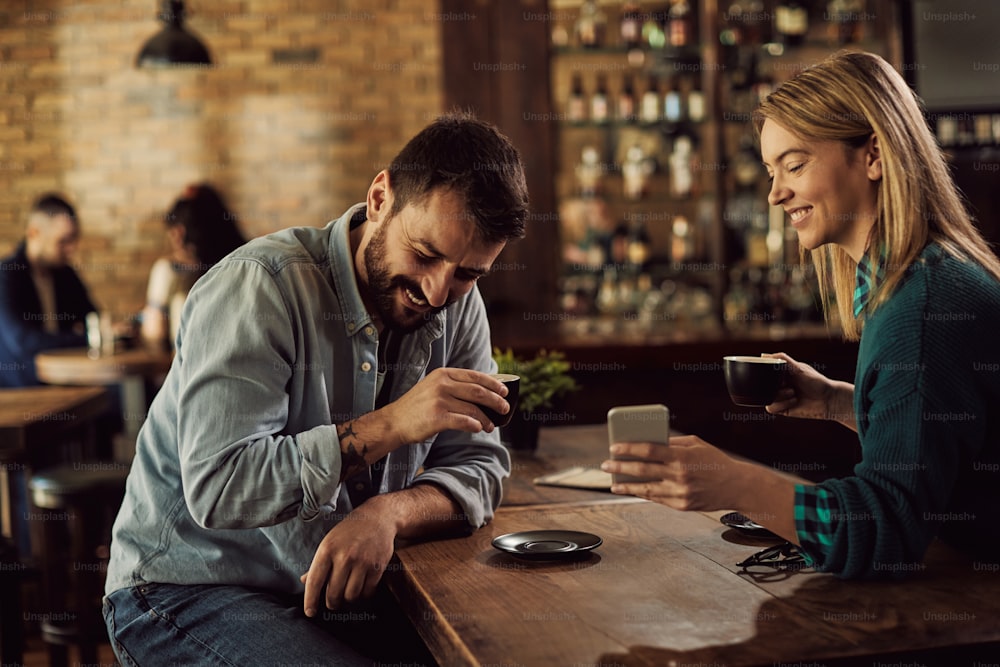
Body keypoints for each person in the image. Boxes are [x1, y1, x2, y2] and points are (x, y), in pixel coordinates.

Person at [103, 112, 529, 664]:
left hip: (325, 590)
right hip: (183, 589)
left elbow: (481, 467)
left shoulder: (458, 302)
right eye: (424, 254)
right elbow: (219, 486)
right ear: (381, 198)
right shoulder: (260, 287)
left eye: (469, 273)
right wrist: (396, 422)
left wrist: (388, 514)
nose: (437, 290)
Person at [601, 51, 1000, 579]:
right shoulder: (929, 276)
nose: (774, 193)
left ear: (874, 156)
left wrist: (736, 483)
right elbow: (952, 441)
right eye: (771, 170)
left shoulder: (922, 310)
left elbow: (886, 532)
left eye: (794, 165)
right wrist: (839, 402)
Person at [0, 193, 97, 387]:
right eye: (63, 241)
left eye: (74, 240)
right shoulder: (7, 275)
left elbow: (92, 318)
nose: (71, 249)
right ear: (34, 233)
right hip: (22, 387)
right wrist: (85, 338)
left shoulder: (64, 273)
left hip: (66, 377)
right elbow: (23, 342)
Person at [140, 183, 247, 349]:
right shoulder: (248, 261)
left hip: (188, 369)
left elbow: (154, 332)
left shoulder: (169, 270)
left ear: (179, 233)